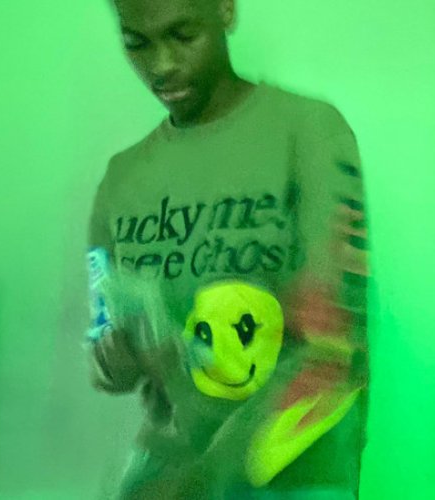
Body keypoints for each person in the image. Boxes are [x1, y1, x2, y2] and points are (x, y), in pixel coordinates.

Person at [85, 0, 371, 498]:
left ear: (226, 9)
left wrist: (206, 479)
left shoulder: (308, 131)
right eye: (137, 43)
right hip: (164, 470)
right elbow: (104, 354)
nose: (161, 65)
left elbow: (333, 349)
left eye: (183, 35)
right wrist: (116, 360)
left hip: (294, 474)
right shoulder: (122, 179)